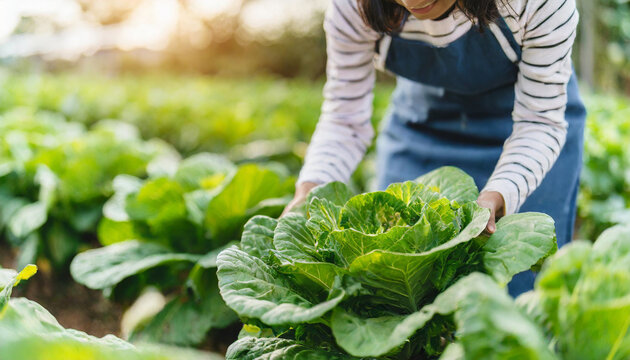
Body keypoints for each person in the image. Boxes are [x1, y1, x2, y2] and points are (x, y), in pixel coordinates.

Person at [282, 0, 586, 296]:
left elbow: (539, 121)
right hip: (421, 126)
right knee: (399, 292)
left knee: (519, 296)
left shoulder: (542, 3)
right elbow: (345, 118)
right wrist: (313, 185)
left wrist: (502, 191)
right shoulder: (353, 6)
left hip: (532, 132)